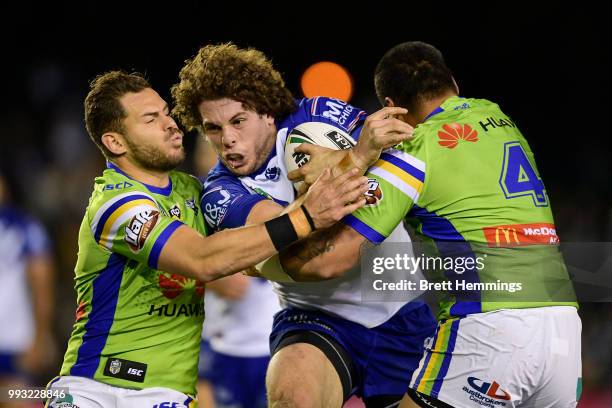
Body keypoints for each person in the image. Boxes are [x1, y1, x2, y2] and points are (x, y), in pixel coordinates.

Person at [282, 41, 582, 408]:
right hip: (563, 329)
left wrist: (276, 254)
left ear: (391, 109)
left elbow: (328, 261)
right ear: (453, 83)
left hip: (491, 327)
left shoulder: (411, 154)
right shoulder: (496, 115)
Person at [46, 70, 369, 408]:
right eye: (151, 119)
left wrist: (343, 162)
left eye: (167, 113)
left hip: (169, 395)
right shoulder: (115, 204)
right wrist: (305, 216)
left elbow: (271, 232)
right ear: (116, 142)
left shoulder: (197, 193)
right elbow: (202, 259)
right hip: (95, 389)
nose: (171, 125)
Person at [171, 43, 437, 408]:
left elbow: (393, 145)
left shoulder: (315, 113)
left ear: (267, 112)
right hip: (315, 320)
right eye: (212, 128)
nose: (227, 139)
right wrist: (353, 161)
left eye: (237, 121)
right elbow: (284, 232)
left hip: (402, 309)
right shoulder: (219, 191)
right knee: (293, 398)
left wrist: (345, 156)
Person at [193, 138, 281, 408]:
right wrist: (206, 274)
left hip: (272, 342)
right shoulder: (193, 205)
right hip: (216, 344)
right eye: (207, 148)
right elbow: (168, 263)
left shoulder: (276, 190)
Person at [0, 172, 57, 407]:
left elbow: (42, 282)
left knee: (18, 397)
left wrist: (40, 336)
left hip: (15, 339)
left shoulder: (23, 226)